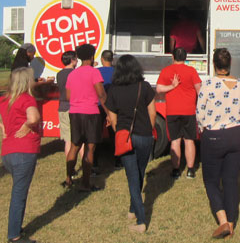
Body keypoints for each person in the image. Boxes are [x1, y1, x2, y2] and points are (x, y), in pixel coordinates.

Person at [0, 68, 41, 243]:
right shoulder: (27, 99)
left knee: (18, 191)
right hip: (24, 152)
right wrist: (28, 125)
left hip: (8, 153)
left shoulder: (5, 99)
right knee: (19, 194)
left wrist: (1, 125)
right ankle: (14, 237)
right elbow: (34, 117)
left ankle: (16, 230)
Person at [196, 48, 240, 239]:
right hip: (237, 135)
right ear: (229, 64)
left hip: (215, 136)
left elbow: (200, 113)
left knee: (211, 181)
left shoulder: (208, 84)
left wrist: (204, 129)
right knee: (230, 180)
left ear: (214, 65)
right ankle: (232, 223)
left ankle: (223, 221)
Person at [105, 55, 156, 233]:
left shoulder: (114, 90)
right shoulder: (145, 86)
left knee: (132, 178)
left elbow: (112, 118)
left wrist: (119, 132)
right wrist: (149, 131)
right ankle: (133, 209)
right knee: (140, 174)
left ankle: (141, 221)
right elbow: (152, 113)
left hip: (125, 136)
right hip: (144, 136)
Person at [65, 44, 107, 191]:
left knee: (74, 146)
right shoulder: (94, 73)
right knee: (90, 148)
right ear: (91, 56)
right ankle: (85, 183)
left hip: (75, 113)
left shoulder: (72, 74)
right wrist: (109, 113)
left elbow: (68, 95)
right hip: (91, 113)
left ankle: (68, 178)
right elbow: (101, 94)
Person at [156, 47, 202, 179]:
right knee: (189, 140)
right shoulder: (192, 71)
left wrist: (172, 87)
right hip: (189, 111)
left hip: (172, 111)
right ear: (186, 57)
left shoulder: (166, 71)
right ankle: (191, 170)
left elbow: (159, 89)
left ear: (172, 57)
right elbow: (199, 90)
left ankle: (176, 170)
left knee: (175, 141)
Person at [56, 50, 78, 159]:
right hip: (75, 106)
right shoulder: (75, 73)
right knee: (80, 139)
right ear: (73, 60)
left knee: (68, 140)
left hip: (63, 106)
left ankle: (70, 166)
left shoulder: (59, 74)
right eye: (76, 59)